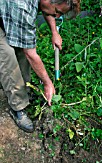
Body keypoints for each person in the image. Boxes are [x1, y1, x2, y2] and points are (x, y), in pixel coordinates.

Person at [0, 0, 80, 133]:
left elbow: (48, 10)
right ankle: (18, 106)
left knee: (20, 48)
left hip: (7, 12)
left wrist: (54, 32)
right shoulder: (23, 7)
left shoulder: (45, 3)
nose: (58, 16)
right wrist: (48, 83)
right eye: (58, 12)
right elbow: (31, 54)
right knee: (7, 56)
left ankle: (24, 88)